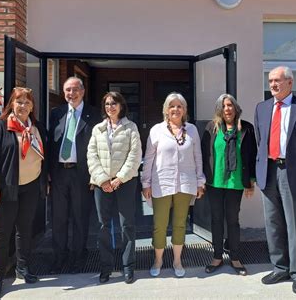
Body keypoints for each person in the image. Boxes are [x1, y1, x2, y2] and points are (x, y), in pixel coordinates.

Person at [254, 66, 296, 295]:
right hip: (269, 171)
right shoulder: (262, 108)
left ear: (290, 83)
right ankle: (280, 267)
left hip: (294, 173)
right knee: (273, 224)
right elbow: (259, 140)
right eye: (270, 80)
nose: (273, 84)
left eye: (278, 80)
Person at [0, 87, 48, 296]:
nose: (23, 106)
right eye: (19, 102)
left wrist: (45, 180)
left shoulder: (36, 127)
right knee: (1, 233)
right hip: (6, 188)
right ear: (11, 104)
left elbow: (45, 155)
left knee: (24, 230)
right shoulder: (1, 128)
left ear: (32, 107)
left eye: (27, 102)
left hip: (30, 186)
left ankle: (23, 268)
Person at [141, 92, 205, 278]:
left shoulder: (192, 130)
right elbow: (149, 159)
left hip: (185, 184)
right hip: (162, 183)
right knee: (159, 225)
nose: (175, 109)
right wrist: (146, 183)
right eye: (172, 106)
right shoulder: (156, 130)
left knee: (179, 224)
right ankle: (158, 260)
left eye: (179, 106)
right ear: (166, 110)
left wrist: (200, 181)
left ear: (184, 110)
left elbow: (198, 157)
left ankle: (177, 260)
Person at [87, 92, 142, 284]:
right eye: (107, 104)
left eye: (114, 103)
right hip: (102, 184)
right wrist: (103, 180)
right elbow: (91, 155)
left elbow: (135, 155)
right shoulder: (98, 129)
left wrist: (119, 178)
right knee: (103, 226)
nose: (110, 107)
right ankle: (106, 267)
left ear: (121, 106)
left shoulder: (130, 127)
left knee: (127, 225)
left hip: (125, 183)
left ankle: (128, 267)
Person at [201, 94, 257, 276]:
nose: (227, 109)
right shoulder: (211, 128)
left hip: (236, 182)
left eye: (230, 105)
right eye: (224, 106)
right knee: (216, 220)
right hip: (215, 182)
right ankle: (217, 256)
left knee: (233, 220)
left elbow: (252, 155)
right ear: (219, 109)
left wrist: (251, 182)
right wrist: (200, 181)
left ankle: (235, 257)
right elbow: (204, 155)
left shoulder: (246, 128)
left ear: (236, 108)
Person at [49, 77, 100, 274]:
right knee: (58, 219)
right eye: (68, 90)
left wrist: (95, 176)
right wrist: (48, 174)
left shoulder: (94, 115)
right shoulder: (57, 113)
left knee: (80, 218)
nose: (72, 93)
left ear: (83, 91)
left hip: (82, 175)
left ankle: (78, 256)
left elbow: (99, 147)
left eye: (75, 89)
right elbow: (50, 144)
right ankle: (59, 257)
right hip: (59, 173)